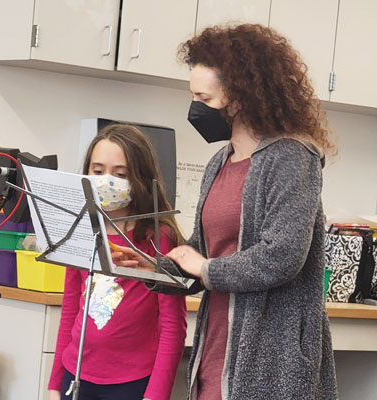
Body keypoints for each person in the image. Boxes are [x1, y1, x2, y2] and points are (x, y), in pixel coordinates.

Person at [114, 24, 338, 399]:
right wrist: (154, 267)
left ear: (240, 98)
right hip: (217, 344)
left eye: (203, 97)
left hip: (270, 358)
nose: (195, 108)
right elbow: (202, 252)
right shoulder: (220, 161)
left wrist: (204, 268)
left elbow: (282, 256)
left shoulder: (292, 157)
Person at [48, 124, 187, 400]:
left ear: (139, 178)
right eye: (97, 171)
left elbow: (173, 326)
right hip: (75, 374)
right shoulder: (81, 230)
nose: (105, 181)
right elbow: (69, 311)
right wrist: (54, 384)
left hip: (133, 383)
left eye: (120, 174)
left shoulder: (158, 237)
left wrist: (156, 395)